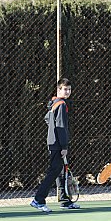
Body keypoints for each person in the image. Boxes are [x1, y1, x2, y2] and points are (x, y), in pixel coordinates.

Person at [31, 78, 80, 212]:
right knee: (54, 171)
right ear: (58, 90)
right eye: (64, 89)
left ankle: (65, 200)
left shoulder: (53, 104)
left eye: (69, 89)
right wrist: (64, 147)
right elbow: (61, 127)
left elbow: (47, 119)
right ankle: (38, 200)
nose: (67, 91)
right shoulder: (61, 104)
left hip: (53, 143)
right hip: (57, 145)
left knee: (61, 171)